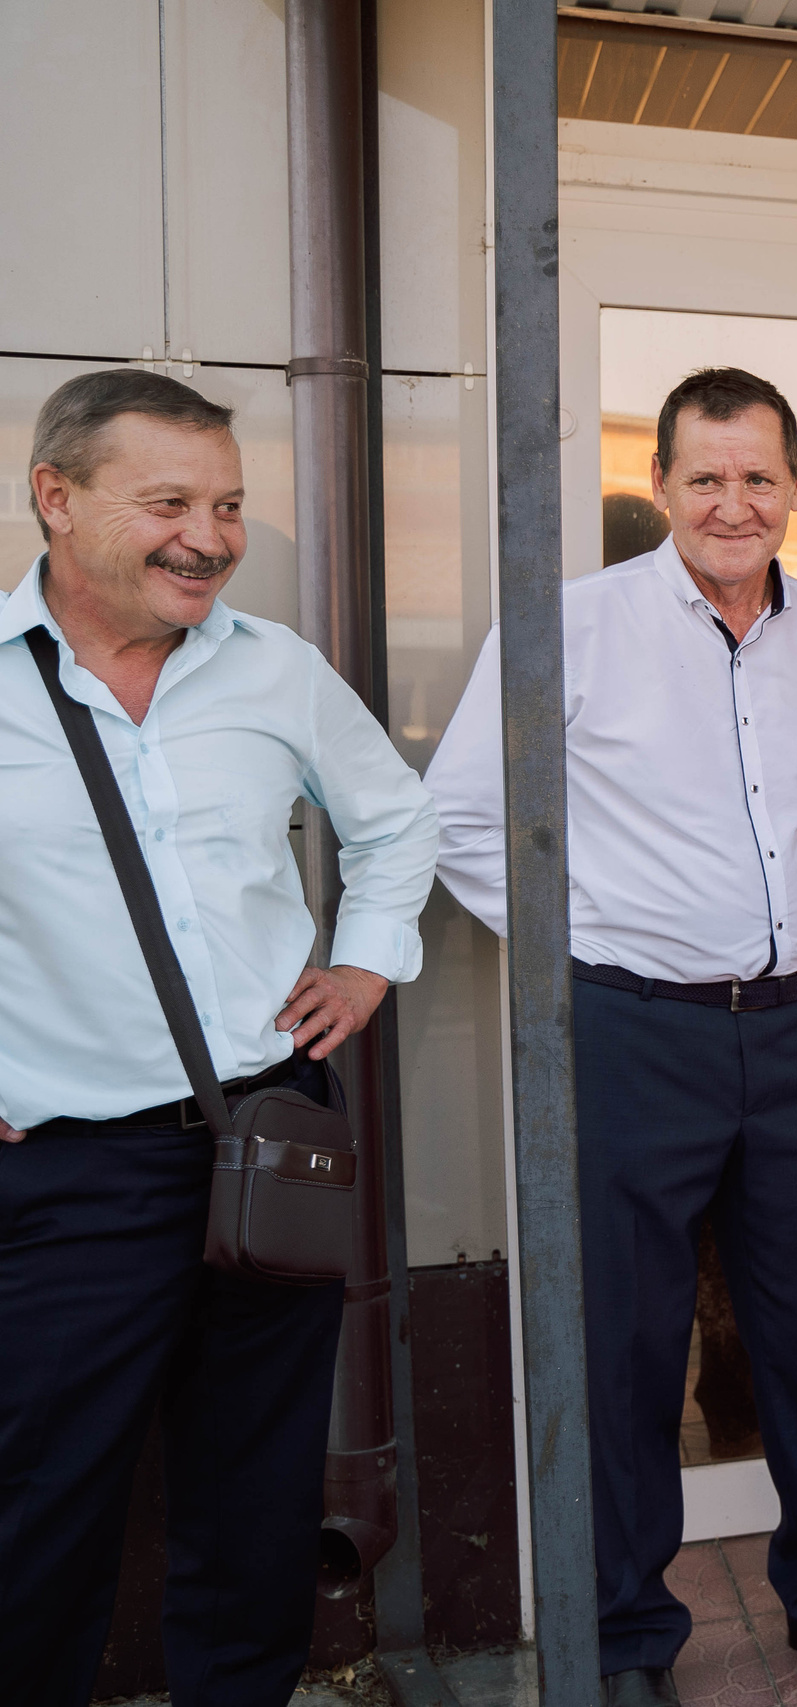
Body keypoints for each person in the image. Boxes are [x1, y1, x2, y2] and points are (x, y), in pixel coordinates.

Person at [426, 368, 797, 1704]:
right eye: (706, 477)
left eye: (761, 477)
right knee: (634, 1340)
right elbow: (461, 819)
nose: (735, 503)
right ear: (661, 485)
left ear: (791, 488)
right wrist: (587, 943)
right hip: (631, 1029)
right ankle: (626, 1635)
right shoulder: (571, 625)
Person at [0, 369, 438, 1705]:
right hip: (68, 1165)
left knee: (254, 1497)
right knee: (39, 1508)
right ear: (56, 499)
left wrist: (366, 960)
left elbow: (395, 819)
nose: (210, 534)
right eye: (172, 501)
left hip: (270, 1137)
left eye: (231, 504)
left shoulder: (276, 669)